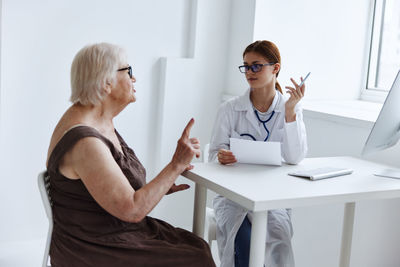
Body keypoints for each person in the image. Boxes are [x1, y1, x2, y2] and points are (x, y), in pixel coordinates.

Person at [46, 43, 215, 267]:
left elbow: (111, 187)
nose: (134, 79)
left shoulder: (98, 119)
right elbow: (132, 210)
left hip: (110, 230)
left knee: (196, 245)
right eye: (129, 71)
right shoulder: (85, 141)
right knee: (196, 257)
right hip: (93, 246)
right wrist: (175, 165)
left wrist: (161, 185)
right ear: (107, 82)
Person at [208, 40, 308, 267]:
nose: (249, 72)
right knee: (243, 243)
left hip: (273, 199)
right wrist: (221, 157)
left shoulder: (290, 107)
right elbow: (213, 155)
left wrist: (290, 111)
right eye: (246, 66)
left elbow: (295, 157)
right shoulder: (230, 109)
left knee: (274, 239)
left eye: (257, 66)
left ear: (276, 68)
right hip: (233, 198)